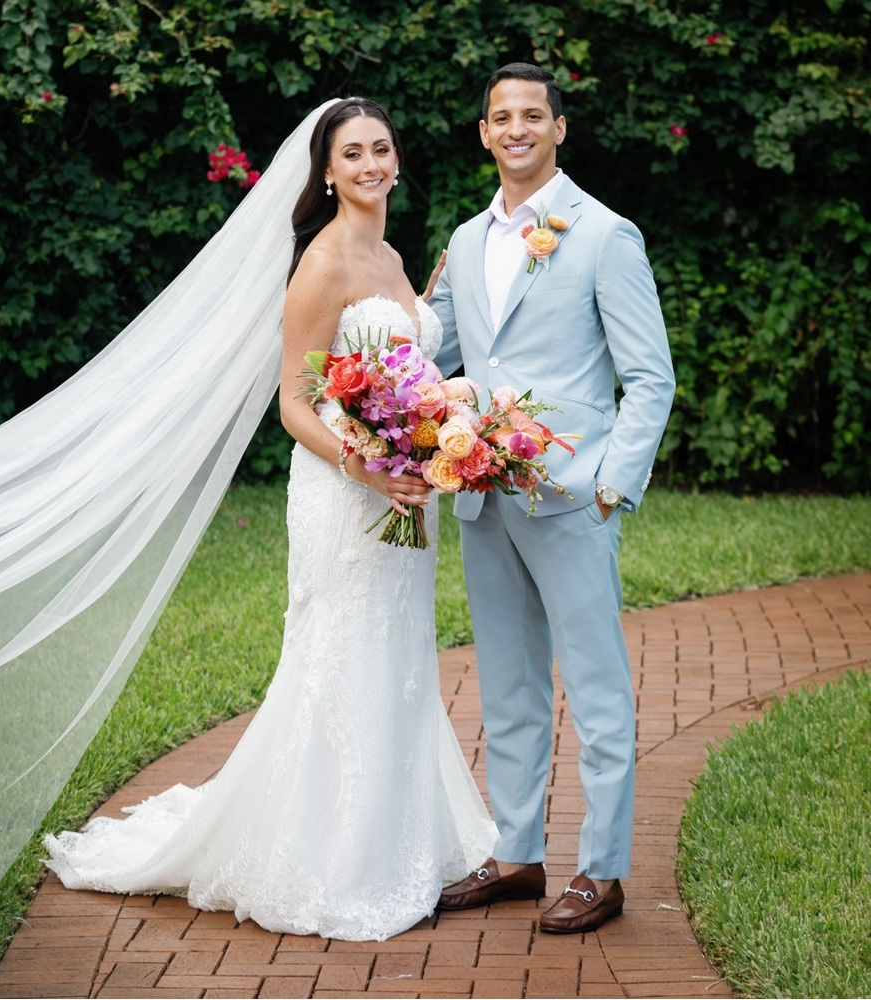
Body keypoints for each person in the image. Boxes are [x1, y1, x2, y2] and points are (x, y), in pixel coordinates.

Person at [43, 97, 497, 942]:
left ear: (398, 160)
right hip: (343, 492)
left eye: (381, 149)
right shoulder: (323, 265)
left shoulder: (397, 257)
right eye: (351, 153)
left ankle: (398, 843)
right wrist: (370, 465)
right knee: (339, 654)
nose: (369, 164)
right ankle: (328, 859)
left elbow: (408, 379)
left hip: (402, 494)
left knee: (397, 658)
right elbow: (294, 405)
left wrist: (439, 421)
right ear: (326, 171)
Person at [428, 63, 675, 933]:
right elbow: (439, 352)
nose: (518, 128)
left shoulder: (605, 235)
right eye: (503, 117)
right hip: (481, 498)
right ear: (485, 132)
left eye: (534, 115)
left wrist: (611, 488)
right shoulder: (463, 240)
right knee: (508, 687)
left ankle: (602, 871)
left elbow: (650, 376)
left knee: (599, 688)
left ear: (559, 129)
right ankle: (518, 855)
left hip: (573, 500)